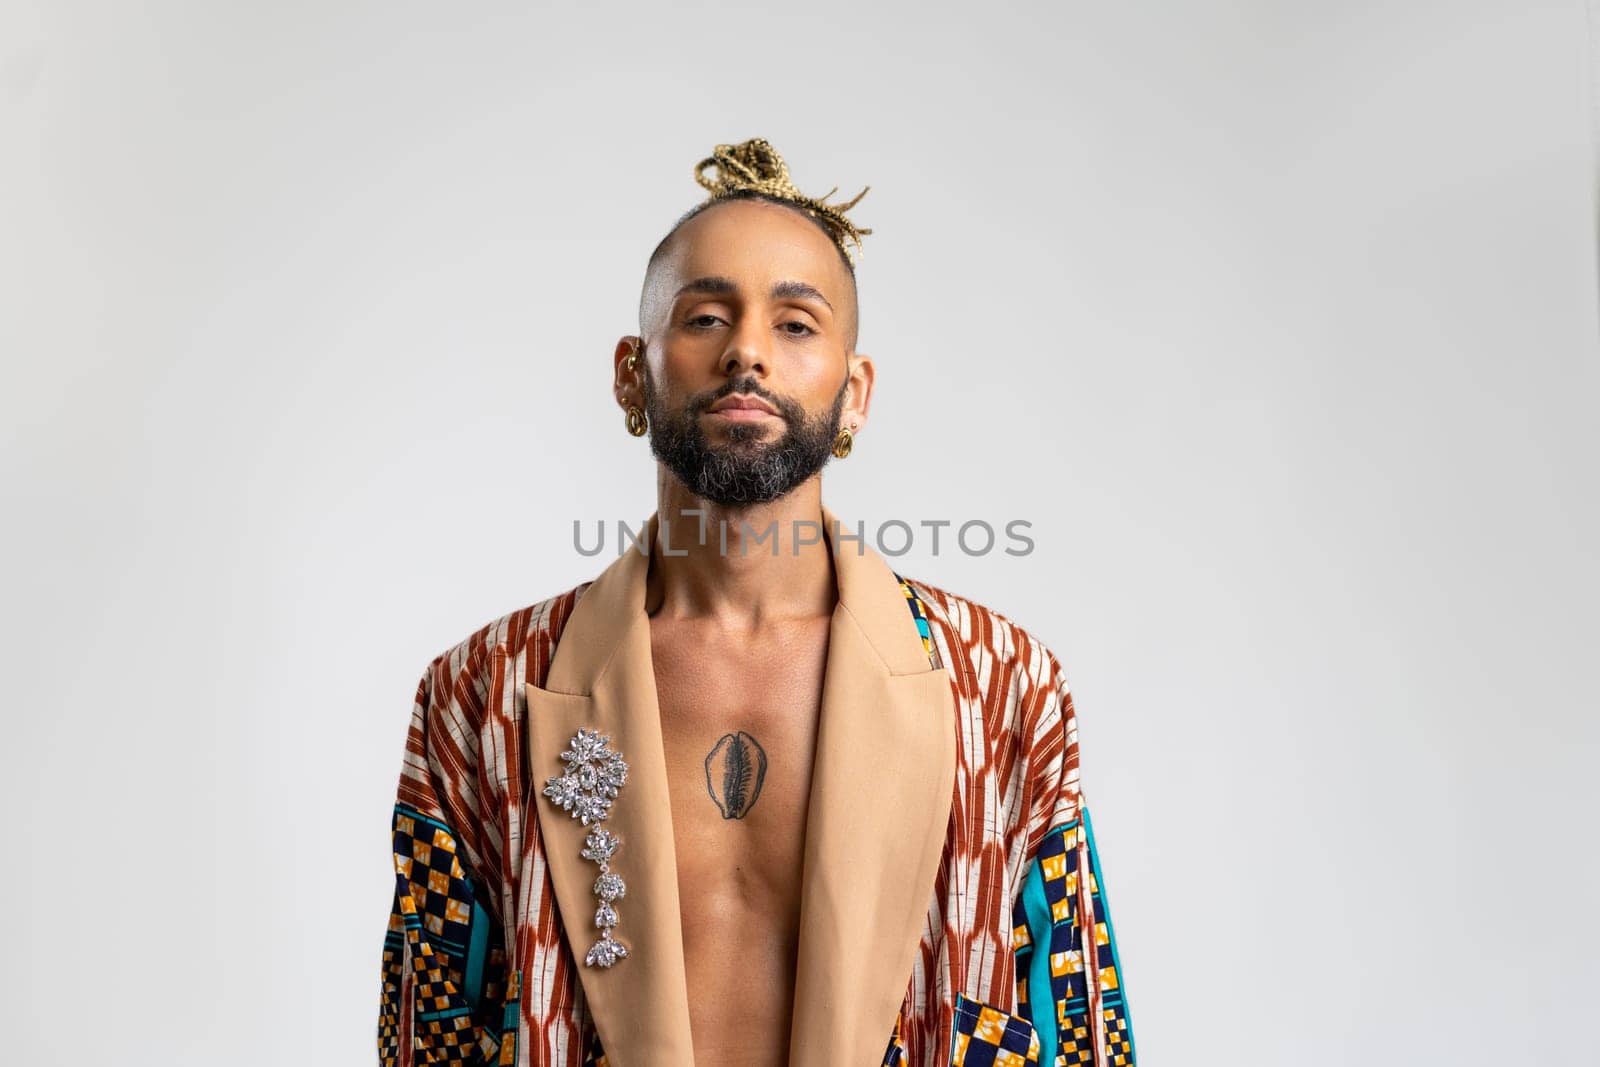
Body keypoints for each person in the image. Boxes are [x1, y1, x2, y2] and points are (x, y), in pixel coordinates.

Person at [377, 137, 1138, 1067]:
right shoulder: (479, 694)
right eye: (704, 317)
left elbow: (1085, 1039)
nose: (746, 350)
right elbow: (424, 1038)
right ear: (630, 373)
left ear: (854, 394)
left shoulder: (1004, 688)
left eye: (796, 323)